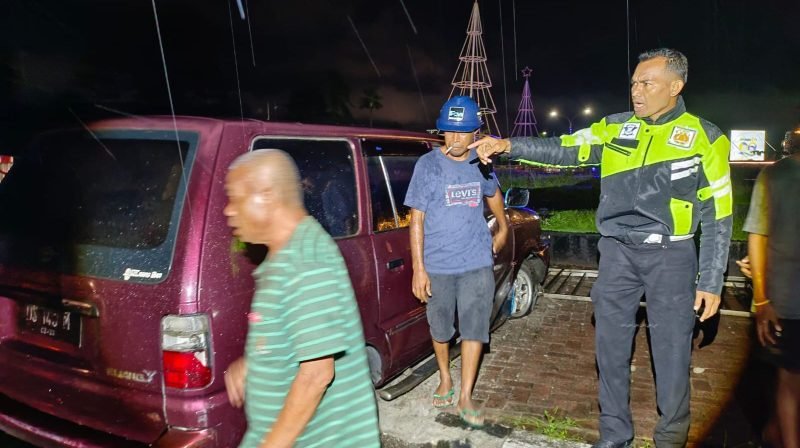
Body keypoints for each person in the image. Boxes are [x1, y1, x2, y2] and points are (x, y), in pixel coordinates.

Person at [470, 48, 733, 447]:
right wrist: (508, 145)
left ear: (676, 87)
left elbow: (720, 216)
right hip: (616, 255)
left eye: (647, 83)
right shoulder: (615, 128)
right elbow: (562, 149)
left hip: (672, 257)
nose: (636, 92)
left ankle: (671, 438)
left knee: (673, 356)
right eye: (633, 83)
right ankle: (614, 436)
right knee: (609, 352)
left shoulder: (705, 137)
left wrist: (711, 280)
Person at [223, 149, 380, 448]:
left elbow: (316, 375)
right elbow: (296, 333)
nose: (228, 210)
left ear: (267, 196)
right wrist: (258, 360)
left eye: (236, 198)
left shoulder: (305, 261)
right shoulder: (283, 255)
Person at [404, 95, 508, 428]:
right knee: (440, 327)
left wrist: (503, 226)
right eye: (449, 132)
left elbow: (493, 195)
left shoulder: (481, 162)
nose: (456, 139)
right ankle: (445, 378)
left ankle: (465, 395)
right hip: (438, 264)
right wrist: (419, 268)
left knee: (475, 327)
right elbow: (416, 217)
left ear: (476, 131)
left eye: (463, 132)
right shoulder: (428, 165)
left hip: (476, 260)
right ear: (441, 132)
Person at [742, 141, 800, 448]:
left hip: (784, 296)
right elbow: (758, 236)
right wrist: (763, 300)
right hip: (787, 300)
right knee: (790, 379)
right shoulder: (775, 176)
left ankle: (774, 434)